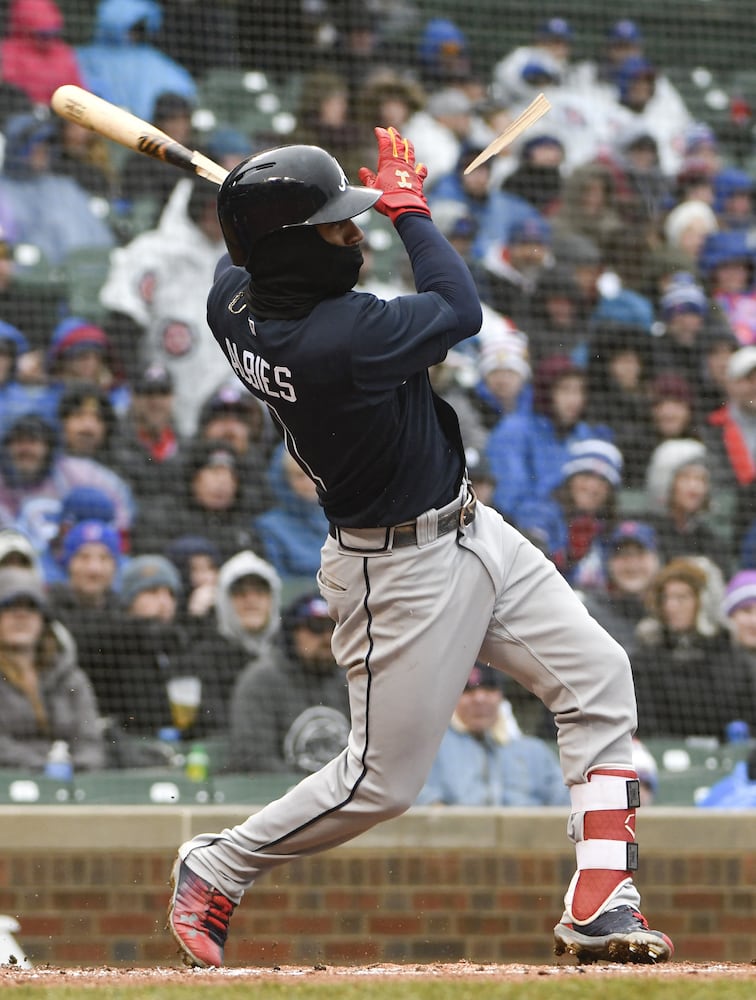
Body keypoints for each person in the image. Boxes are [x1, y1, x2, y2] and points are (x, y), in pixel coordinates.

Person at [167, 131, 673, 968]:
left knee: (598, 675)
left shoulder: (233, 302)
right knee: (381, 784)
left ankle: (602, 900)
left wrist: (286, 205)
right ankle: (217, 863)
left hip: (471, 527)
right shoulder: (341, 339)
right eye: (336, 228)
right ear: (292, 253)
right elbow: (459, 306)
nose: (356, 235)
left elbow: (242, 263)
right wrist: (410, 211)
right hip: (396, 570)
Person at [227, 592, 350, 775]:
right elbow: (254, 759)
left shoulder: (352, 679)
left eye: (333, 626)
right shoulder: (261, 680)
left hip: (346, 796)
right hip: (281, 798)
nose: (326, 637)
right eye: (315, 627)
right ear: (292, 633)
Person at [416, 662, 570, 807]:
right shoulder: (430, 751)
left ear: (500, 697)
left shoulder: (535, 753)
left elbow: (565, 806)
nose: (479, 699)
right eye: (468, 691)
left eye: (489, 689)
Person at [0, 565, 106, 771]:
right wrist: (43, 766)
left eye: (31, 607)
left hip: (72, 787)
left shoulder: (70, 677)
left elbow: (90, 741)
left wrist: (78, 767)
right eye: (10, 606)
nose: (21, 615)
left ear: (43, 619)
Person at [178, 549, 281, 735]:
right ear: (224, 601)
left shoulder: (288, 652)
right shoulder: (204, 656)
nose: (251, 600)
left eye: (260, 591)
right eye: (240, 593)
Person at [579, 521, 662, 655]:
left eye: (640, 554)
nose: (632, 564)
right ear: (609, 563)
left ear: (656, 559)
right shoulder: (590, 614)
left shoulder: (668, 609)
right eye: (622, 555)